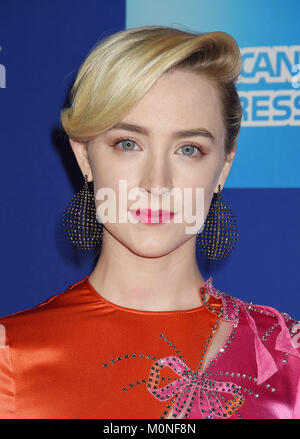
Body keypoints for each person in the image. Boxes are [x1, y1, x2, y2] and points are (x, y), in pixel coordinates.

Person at [0, 25, 300, 420]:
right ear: (85, 157)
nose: (156, 183)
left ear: (225, 164)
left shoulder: (285, 357)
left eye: (188, 149)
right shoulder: (12, 356)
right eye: (128, 144)